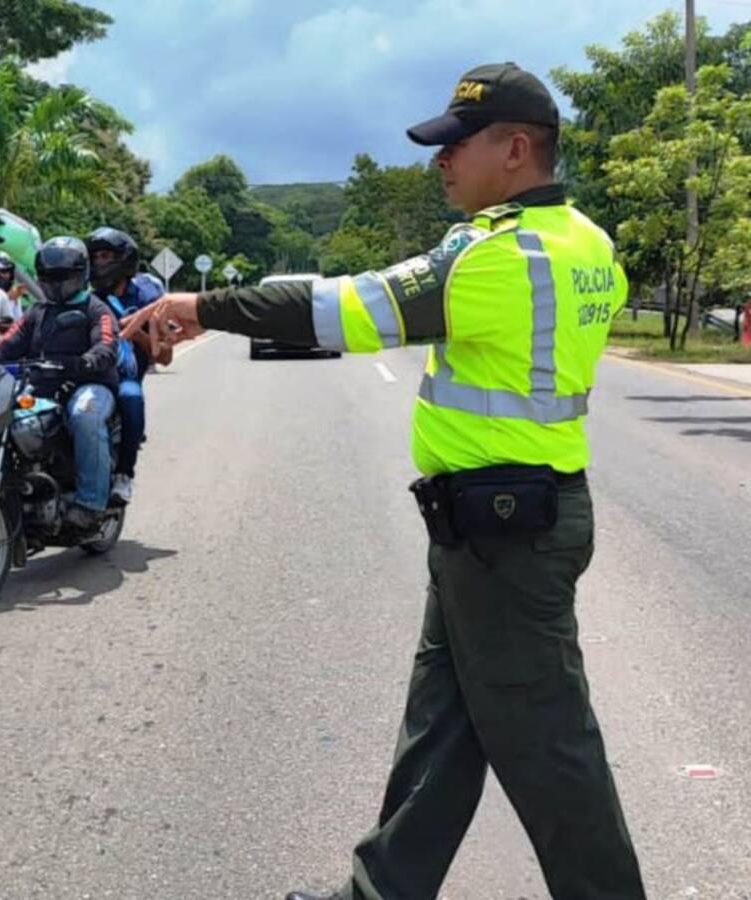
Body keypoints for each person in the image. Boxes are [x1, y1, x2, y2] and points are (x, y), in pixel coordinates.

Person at [122, 63, 645, 900]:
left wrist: (205, 306)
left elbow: (341, 310)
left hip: (508, 531)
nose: (440, 162)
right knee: (441, 730)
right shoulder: (587, 241)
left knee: (551, 750)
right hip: (496, 525)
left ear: (515, 149)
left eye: (455, 145)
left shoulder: (498, 258)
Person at [0, 236, 119, 531]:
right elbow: (7, 344)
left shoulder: (97, 310)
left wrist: (88, 361)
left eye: (63, 276)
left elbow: (106, 344)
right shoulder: (37, 312)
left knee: (85, 415)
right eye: (49, 276)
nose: (56, 283)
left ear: (82, 274)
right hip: (42, 385)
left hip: (89, 384)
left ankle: (90, 504)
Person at [86, 227, 171, 503]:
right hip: (86, 373)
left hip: (123, 376)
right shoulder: (84, 297)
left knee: (132, 397)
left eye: (106, 255)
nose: (99, 262)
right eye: (95, 256)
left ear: (124, 259)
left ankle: (124, 475)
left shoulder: (147, 300)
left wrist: (135, 330)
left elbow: (164, 356)